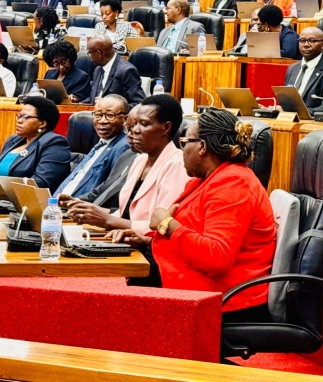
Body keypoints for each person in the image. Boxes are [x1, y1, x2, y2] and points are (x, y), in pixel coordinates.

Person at [142, 108, 276, 319]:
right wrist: (144, 242)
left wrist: (167, 224)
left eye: (184, 142)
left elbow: (216, 256)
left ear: (202, 147)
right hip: (196, 287)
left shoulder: (233, 184)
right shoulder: (208, 179)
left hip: (222, 299)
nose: (181, 150)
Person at [68, 94, 191, 286]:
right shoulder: (139, 159)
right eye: (133, 125)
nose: (134, 130)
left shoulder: (177, 165)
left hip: (150, 254)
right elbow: (126, 212)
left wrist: (109, 220)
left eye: (143, 124)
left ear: (166, 128)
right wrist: (91, 214)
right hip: (123, 242)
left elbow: (162, 225)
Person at [0, 96, 71, 190]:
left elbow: (40, 183)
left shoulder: (55, 144)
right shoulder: (13, 140)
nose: (19, 121)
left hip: (30, 202)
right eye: (19, 116)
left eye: (26, 117)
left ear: (42, 123)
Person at [56, 95, 132, 197]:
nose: (102, 121)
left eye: (110, 115)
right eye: (98, 115)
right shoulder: (101, 143)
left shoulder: (123, 146)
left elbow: (109, 189)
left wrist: (76, 202)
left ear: (125, 119)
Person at [283, 27, 323, 114]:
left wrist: (299, 112)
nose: (306, 44)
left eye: (312, 40)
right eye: (302, 41)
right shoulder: (292, 68)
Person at [85, 35, 146, 106]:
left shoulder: (126, 71)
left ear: (99, 53)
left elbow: (139, 103)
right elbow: (94, 98)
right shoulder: (98, 69)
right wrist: (77, 101)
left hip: (113, 115)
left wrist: (110, 104)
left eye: (90, 53)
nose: (90, 57)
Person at [228, 4, 299, 59]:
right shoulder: (269, 34)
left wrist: (260, 45)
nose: (258, 25)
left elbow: (288, 54)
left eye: (260, 23)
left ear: (266, 25)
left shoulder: (289, 36)